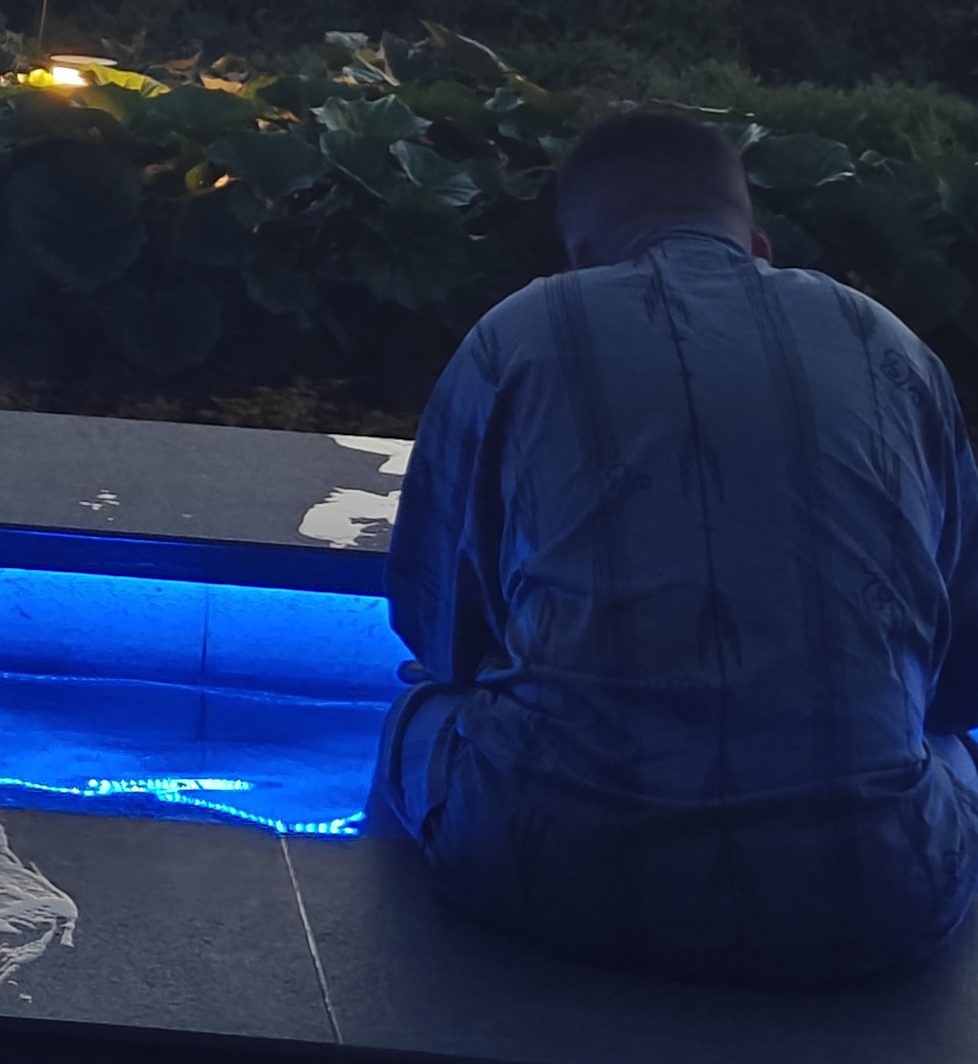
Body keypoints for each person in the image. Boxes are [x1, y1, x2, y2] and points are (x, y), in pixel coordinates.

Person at [374, 109, 978, 985]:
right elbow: (956, 682)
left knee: (415, 708)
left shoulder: (522, 332)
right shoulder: (893, 348)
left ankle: (381, 984)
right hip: (878, 896)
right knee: (952, 755)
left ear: (581, 258)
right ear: (758, 245)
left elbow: (442, 637)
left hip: (541, 871)